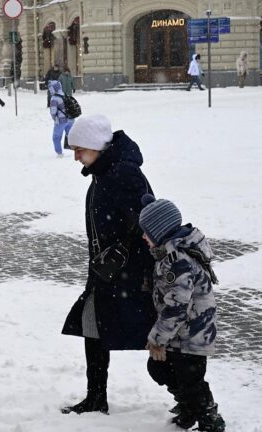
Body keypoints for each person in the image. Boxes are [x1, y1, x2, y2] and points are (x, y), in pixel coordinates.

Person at [60, 114, 156, 415]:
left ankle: (193, 402)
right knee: (92, 326)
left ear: (95, 146)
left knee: (160, 336)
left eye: (79, 149)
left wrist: (125, 255)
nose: (76, 157)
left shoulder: (123, 174)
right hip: (106, 271)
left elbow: (147, 223)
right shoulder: (104, 172)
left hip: (126, 274)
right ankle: (95, 397)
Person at [139, 195, 226, 432]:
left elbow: (176, 308)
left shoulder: (178, 261)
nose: (143, 236)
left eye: (147, 232)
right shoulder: (167, 255)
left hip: (193, 334)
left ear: (160, 232)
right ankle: (188, 406)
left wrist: (157, 339)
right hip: (180, 333)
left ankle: (209, 419)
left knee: (190, 381)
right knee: (159, 368)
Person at [48, 80, 74, 157]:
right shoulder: (65, 95)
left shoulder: (54, 98)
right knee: (71, 135)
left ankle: (59, 153)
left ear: (53, 88)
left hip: (61, 121)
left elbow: (53, 112)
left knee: (56, 137)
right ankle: (77, 150)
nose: (50, 90)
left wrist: (54, 118)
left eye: (51, 88)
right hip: (71, 119)